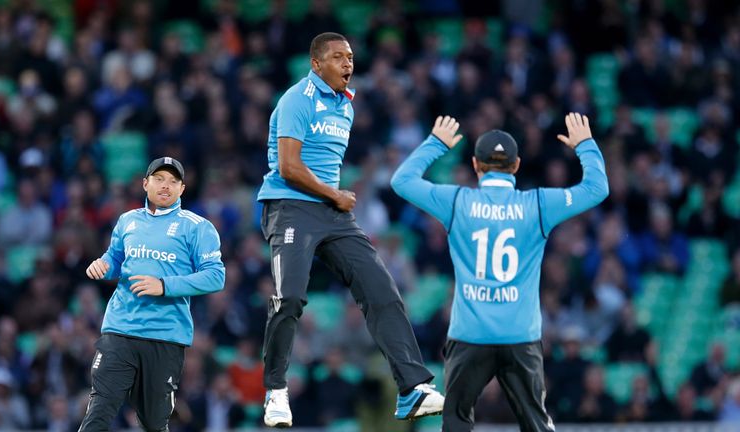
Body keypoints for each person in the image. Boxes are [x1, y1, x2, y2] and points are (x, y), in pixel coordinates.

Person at [256, 32, 443, 428]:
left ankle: (411, 388)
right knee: (289, 297)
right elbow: (289, 167)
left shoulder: (347, 107)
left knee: (382, 289)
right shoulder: (296, 100)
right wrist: (335, 194)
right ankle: (275, 389)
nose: (347, 64)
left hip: (332, 213)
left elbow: (324, 166)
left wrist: (334, 199)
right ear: (315, 63)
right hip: (290, 207)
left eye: (351, 58)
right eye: (338, 57)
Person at [391, 113, 609, 431]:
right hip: (521, 335)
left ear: (477, 167)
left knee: (456, 422)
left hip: (469, 335)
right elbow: (596, 188)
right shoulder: (537, 204)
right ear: (517, 165)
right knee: (536, 424)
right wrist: (586, 145)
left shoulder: (457, 202)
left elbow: (402, 181)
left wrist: (435, 143)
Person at [78, 157, 226, 431]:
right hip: (120, 329)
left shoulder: (198, 227)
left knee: (153, 423)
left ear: (182, 188)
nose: (165, 186)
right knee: (100, 407)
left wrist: (165, 285)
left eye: (173, 181)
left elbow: (216, 276)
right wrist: (103, 265)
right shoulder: (127, 221)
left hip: (165, 336)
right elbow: (115, 258)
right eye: (159, 179)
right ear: (145, 184)